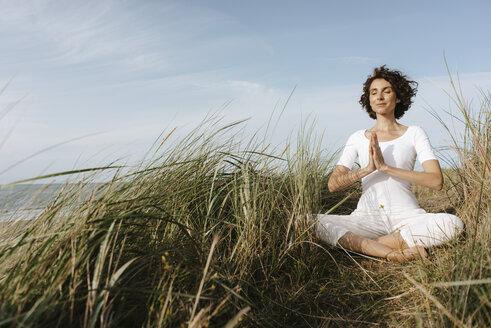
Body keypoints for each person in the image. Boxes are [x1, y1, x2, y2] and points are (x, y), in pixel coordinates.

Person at [316, 66, 464, 263]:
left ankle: (364, 246)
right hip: (366, 218)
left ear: (398, 97)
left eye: (387, 91)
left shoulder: (414, 133)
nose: (380, 97)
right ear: (369, 99)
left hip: (407, 217)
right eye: (374, 92)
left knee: (452, 224)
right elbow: (333, 184)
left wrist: (386, 168)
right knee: (306, 222)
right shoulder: (357, 137)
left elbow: (436, 181)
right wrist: (367, 170)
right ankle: (393, 253)